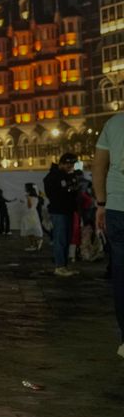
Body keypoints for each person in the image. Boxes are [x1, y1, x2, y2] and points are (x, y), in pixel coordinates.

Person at [92, 111, 124, 358]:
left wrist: (100, 204)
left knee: (121, 276)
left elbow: (99, 167)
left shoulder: (113, 124)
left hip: (116, 209)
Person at [44, 153, 79, 277]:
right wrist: (66, 191)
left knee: (67, 238)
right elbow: (53, 194)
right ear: (63, 163)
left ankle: (64, 265)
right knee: (60, 239)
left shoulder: (67, 175)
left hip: (68, 210)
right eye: (69, 164)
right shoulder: (53, 176)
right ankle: (59, 266)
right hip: (59, 211)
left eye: (72, 165)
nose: (71, 167)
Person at [19, 183, 42, 250]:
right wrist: (24, 201)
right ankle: (34, 244)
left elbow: (30, 206)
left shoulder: (31, 197)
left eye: (25, 187)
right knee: (30, 230)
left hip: (30, 215)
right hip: (30, 214)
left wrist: (28, 198)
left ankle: (35, 243)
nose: (24, 188)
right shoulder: (34, 197)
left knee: (31, 229)